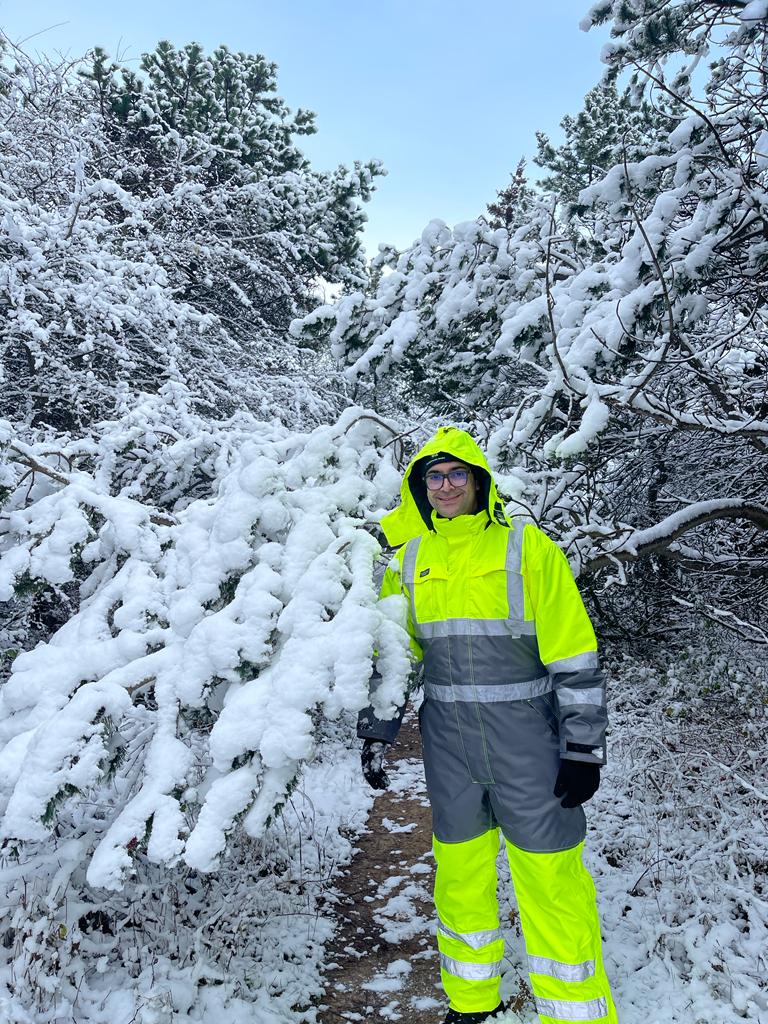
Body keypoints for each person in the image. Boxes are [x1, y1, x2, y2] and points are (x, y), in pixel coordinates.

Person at [358, 426, 619, 1024]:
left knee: (551, 879)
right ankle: (472, 1001)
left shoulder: (527, 549)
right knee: (459, 876)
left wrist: (583, 749)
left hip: (529, 742)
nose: (446, 486)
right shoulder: (411, 560)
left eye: (457, 474)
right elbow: (397, 655)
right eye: (434, 477)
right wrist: (377, 730)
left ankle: (576, 1013)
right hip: (449, 744)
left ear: (478, 481)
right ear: (420, 488)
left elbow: (575, 656)